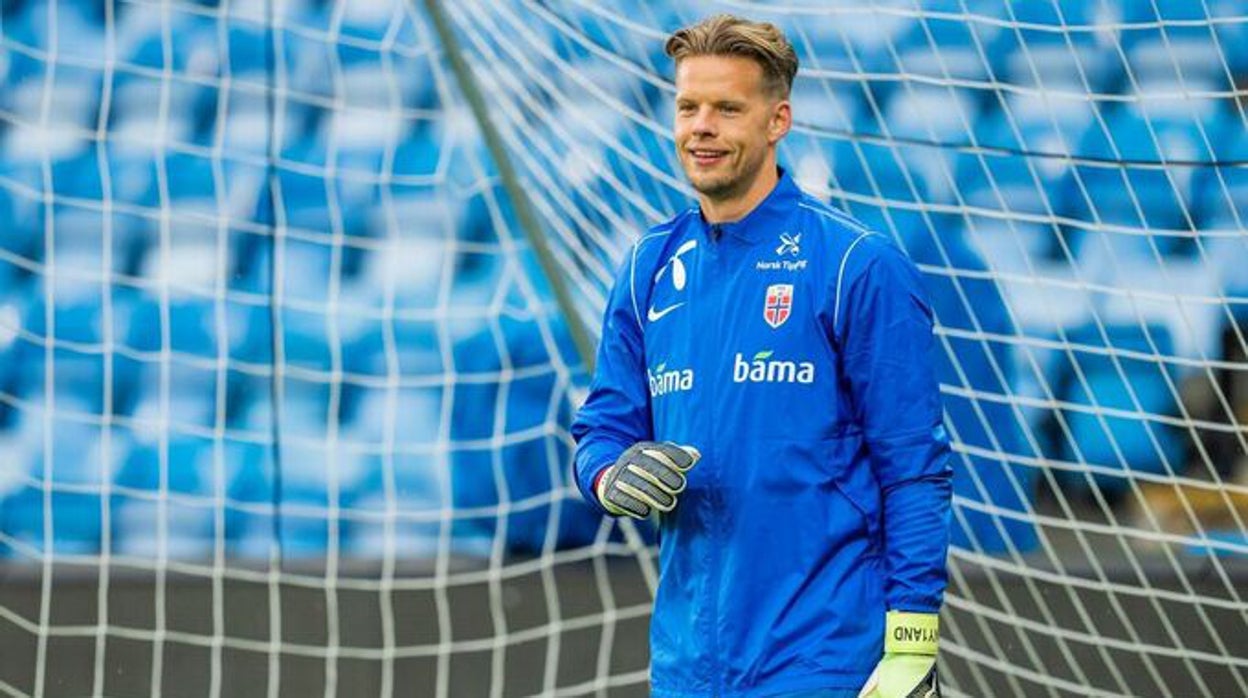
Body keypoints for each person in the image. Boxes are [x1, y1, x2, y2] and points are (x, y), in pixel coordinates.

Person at [571, 14, 952, 698]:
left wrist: (913, 640)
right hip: (689, 665)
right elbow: (601, 431)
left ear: (778, 121)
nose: (701, 126)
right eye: (688, 106)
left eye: (727, 108)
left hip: (825, 662)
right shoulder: (646, 269)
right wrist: (609, 474)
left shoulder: (855, 266)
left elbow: (915, 470)